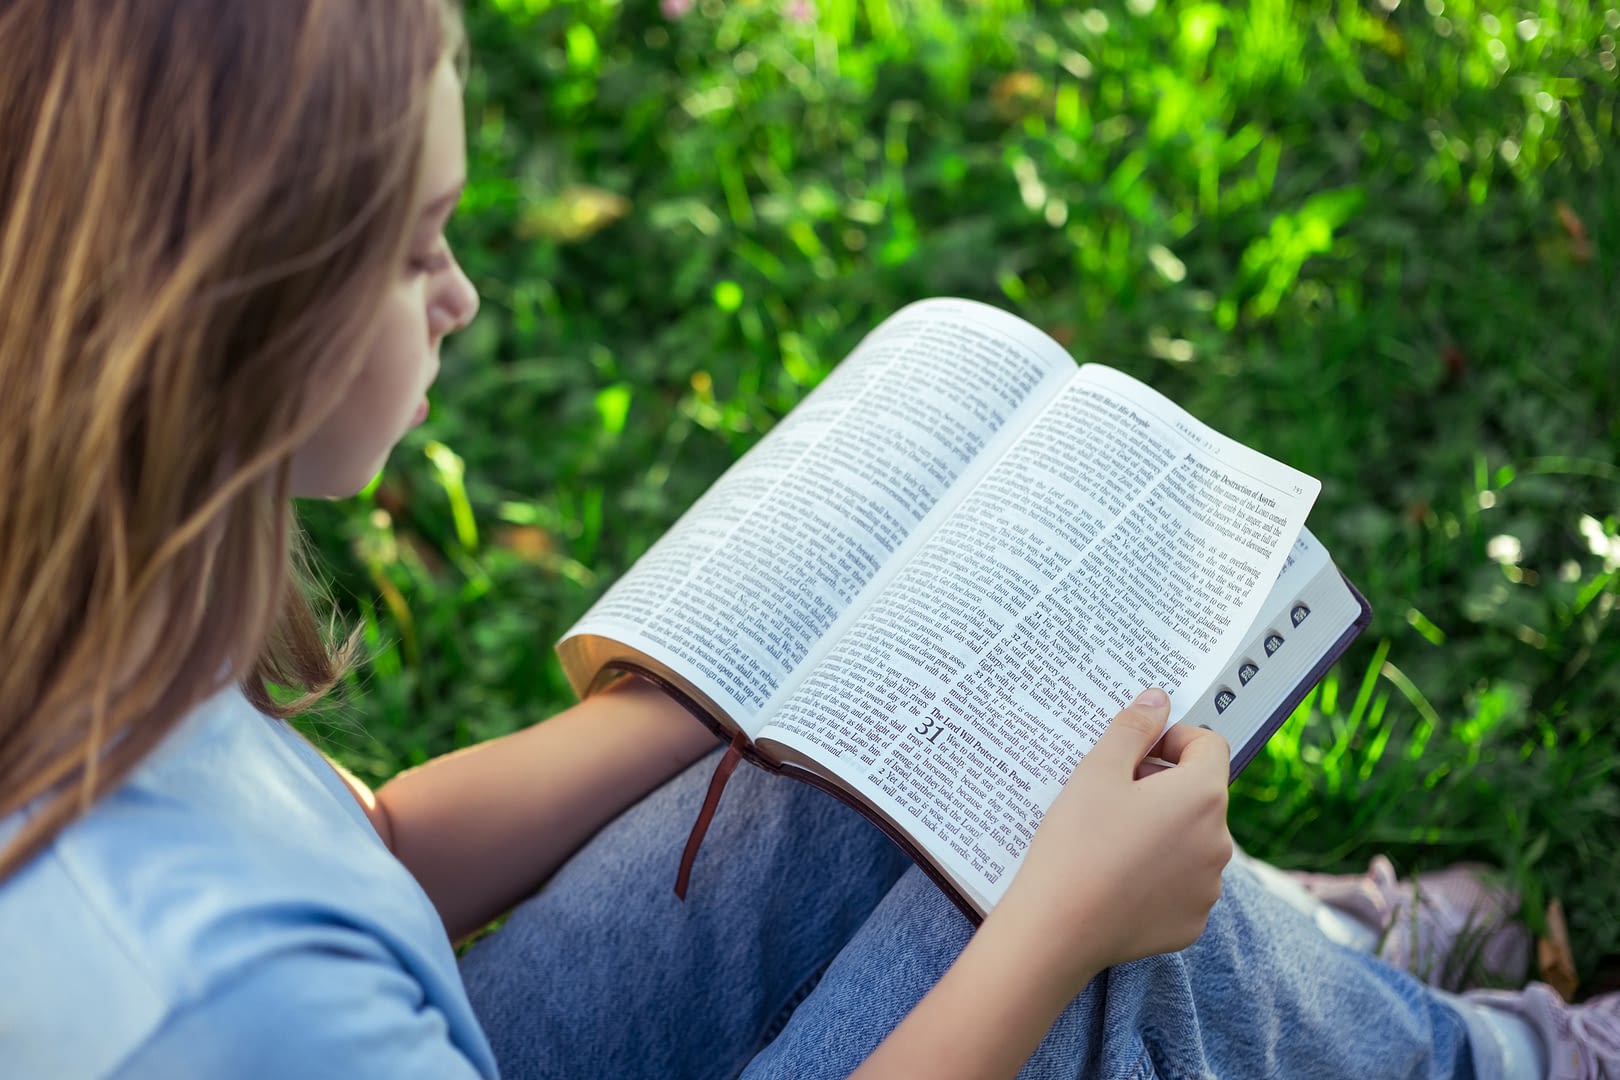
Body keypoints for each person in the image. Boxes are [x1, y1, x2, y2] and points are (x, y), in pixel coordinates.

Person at [0, 1, 1613, 1077]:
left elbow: (373, 853)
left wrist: (726, 696)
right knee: (1027, 929)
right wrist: (1056, 932)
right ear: (227, 317)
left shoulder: (81, 611)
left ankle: (1326, 972)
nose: (462, 297)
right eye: (416, 248)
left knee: (828, 797)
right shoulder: (236, 1019)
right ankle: (1498, 1056)